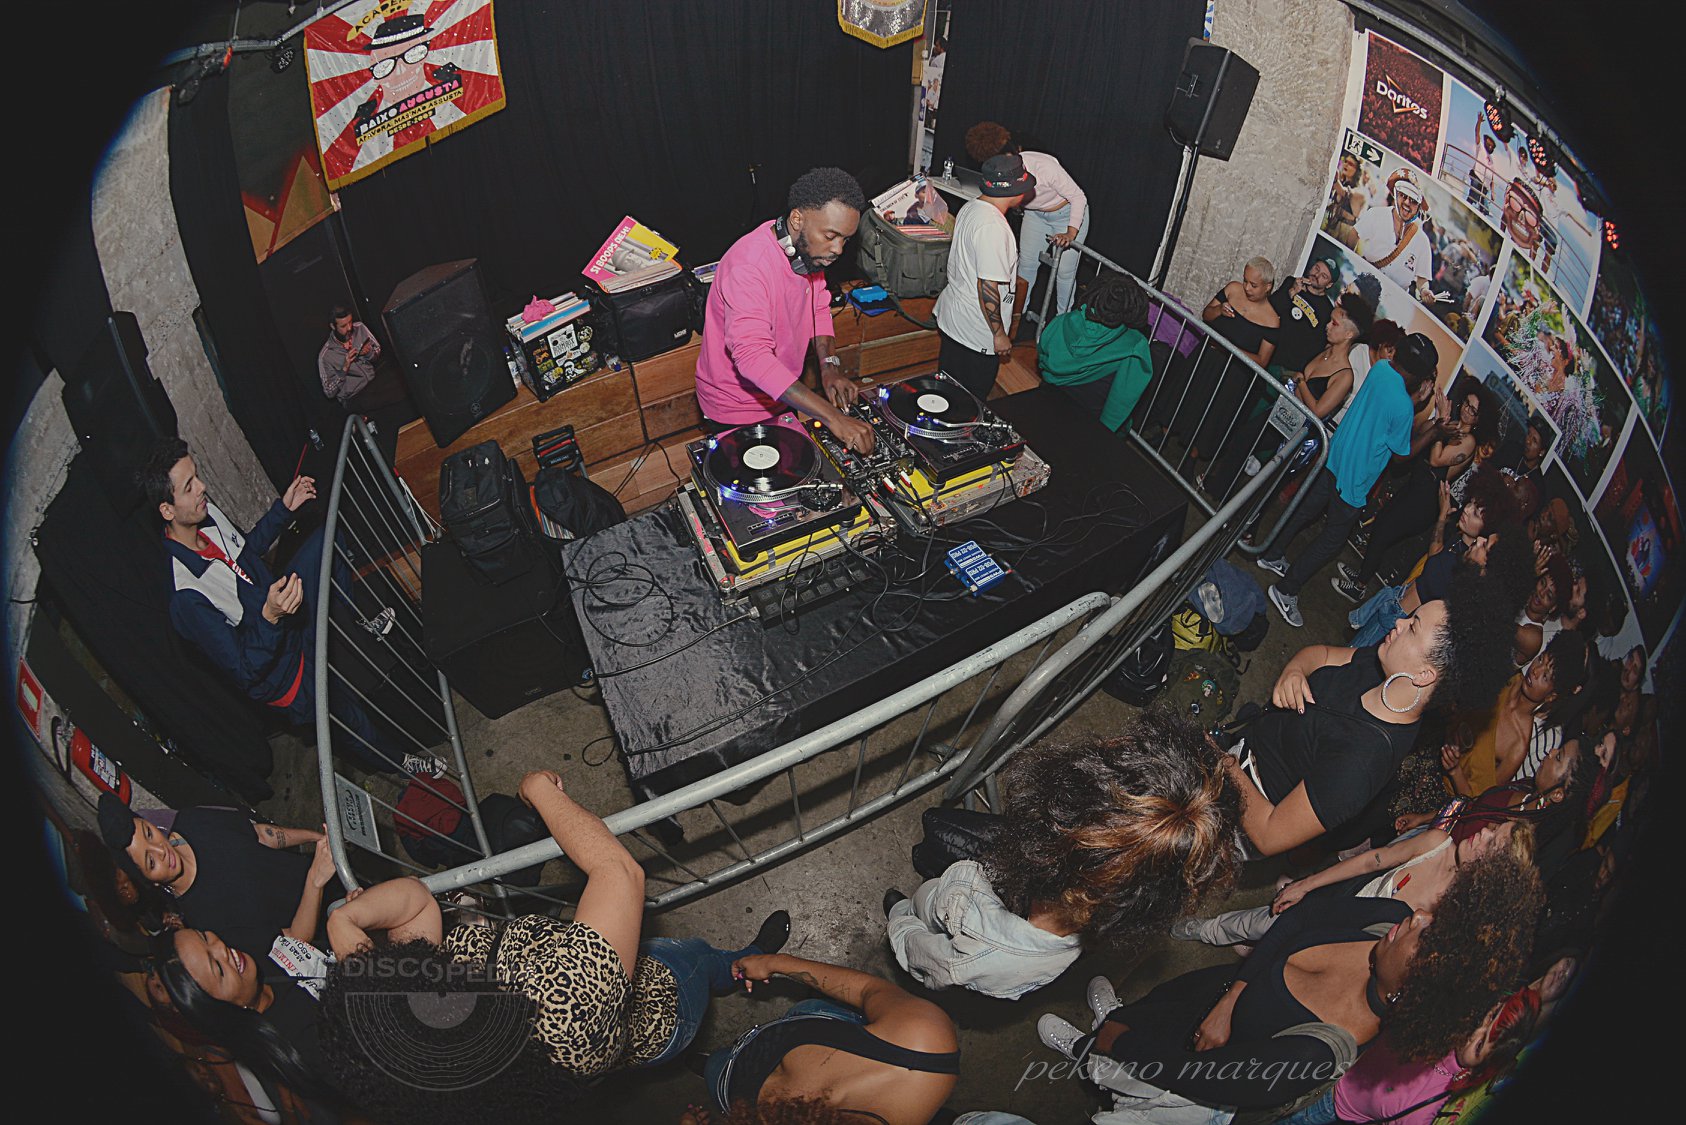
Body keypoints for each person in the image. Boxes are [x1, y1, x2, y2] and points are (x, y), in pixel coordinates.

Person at [314, 769, 791, 1121]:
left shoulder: (435, 1020)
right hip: (664, 1000)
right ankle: (740, 966)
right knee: (698, 958)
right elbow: (618, 873)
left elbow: (416, 903)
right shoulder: (561, 1012)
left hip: (593, 964)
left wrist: (346, 922)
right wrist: (539, 791)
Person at [1037, 854, 1542, 1122]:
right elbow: (1300, 919)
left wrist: (1121, 1045)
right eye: (1434, 917)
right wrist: (1232, 996)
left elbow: (1198, 1076)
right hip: (1215, 992)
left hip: (1192, 1059)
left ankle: (1088, 1051)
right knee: (1154, 1006)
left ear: (1417, 988)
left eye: (1427, 936)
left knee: (1124, 1056)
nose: (1420, 917)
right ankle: (1116, 1021)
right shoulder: (1390, 916)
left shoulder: (1320, 1053)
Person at [883, 712, 1241, 999]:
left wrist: (901, 922)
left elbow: (924, 958)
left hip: (929, 915)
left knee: (917, 908)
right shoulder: (1096, 895)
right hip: (967, 883)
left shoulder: (987, 958)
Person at [137, 438, 435, 777]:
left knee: (327, 539)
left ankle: (358, 622)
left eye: (197, 476)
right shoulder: (185, 596)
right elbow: (244, 670)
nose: (202, 488)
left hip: (287, 615)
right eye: (189, 487)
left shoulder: (206, 516)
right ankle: (402, 764)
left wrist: (283, 509)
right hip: (282, 672)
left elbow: (245, 552)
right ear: (167, 510)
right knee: (350, 719)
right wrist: (269, 617)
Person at [1224, 570, 1513, 858]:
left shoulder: (1362, 762)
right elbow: (1323, 655)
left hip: (1236, 814)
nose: (1399, 622)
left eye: (1413, 627)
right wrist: (1295, 671)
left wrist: (1222, 761)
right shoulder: (1385, 668)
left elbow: (1269, 834)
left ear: (1424, 675)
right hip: (1242, 750)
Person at [1256, 332, 1439, 629]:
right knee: (1331, 541)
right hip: (1355, 480)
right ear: (1421, 376)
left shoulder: (1381, 369)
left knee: (1304, 511)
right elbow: (1401, 456)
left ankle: (1272, 554)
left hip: (1336, 458)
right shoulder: (1404, 408)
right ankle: (1285, 590)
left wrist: (1415, 399)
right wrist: (1434, 430)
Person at [694, 167, 875, 454]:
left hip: (781, 393)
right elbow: (752, 357)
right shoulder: (748, 266)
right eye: (831, 235)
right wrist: (834, 418)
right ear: (797, 219)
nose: (838, 249)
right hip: (735, 406)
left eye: (846, 239)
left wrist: (829, 368)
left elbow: (818, 308)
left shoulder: (807, 252)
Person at [1174, 814, 1531, 950]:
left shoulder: (1451, 914)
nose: (1483, 833)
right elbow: (1370, 861)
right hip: (1338, 899)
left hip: (1347, 947)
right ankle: (1208, 930)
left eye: (1492, 842)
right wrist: (1307, 885)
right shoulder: (1438, 842)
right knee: (1265, 922)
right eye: (1493, 829)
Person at [702, 951, 959, 1125]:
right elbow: (868, 990)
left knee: (714, 1067)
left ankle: (710, 1065)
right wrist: (775, 962)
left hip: (730, 1085)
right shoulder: (928, 1041)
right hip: (816, 1024)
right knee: (809, 1009)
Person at [100, 792, 338, 960]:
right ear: (149, 881)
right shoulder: (207, 923)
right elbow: (296, 939)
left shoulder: (192, 821)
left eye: (149, 834)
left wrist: (316, 838)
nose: (161, 851)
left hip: (328, 871)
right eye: (150, 862)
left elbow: (261, 835)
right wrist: (315, 882)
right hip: (330, 925)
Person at [1279, 987, 1541, 1125]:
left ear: (1479, 1068)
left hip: (1326, 1106)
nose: (1473, 1033)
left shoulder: (1426, 1106)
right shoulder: (1446, 1018)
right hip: (1333, 1055)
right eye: (1488, 1018)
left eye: (1480, 1045)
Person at [1334, 376, 1490, 602]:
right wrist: (1439, 421)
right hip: (1415, 485)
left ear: (1478, 419)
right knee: (1381, 523)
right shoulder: (1453, 425)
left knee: (1385, 531)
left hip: (1425, 499)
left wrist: (1440, 427)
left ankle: (1359, 587)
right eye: (1467, 403)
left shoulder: (1469, 441)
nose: (1466, 410)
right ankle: (1362, 574)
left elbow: (1436, 460)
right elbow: (1422, 431)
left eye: (1473, 410)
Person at [934, 152, 1038, 399]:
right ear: (1015, 191)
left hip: (955, 319)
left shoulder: (972, 206)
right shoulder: (993, 228)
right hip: (976, 332)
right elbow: (988, 286)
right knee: (970, 401)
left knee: (947, 391)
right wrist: (999, 334)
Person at [963, 121, 1090, 316]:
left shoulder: (1043, 166)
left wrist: (1071, 233)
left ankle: (1062, 319)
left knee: (1064, 272)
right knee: (1026, 265)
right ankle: (1016, 315)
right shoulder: (1001, 172)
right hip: (1036, 215)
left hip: (1066, 214)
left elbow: (1078, 197)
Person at [1036, 272, 1153, 431]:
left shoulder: (1063, 321)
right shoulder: (1135, 346)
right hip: (1087, 427)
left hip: (1043, 407)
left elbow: (1042, 354)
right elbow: (1121, 402)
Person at [1354, 171, 1434, 301]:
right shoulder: (1376, 214)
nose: (1407, 202)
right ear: (1396, 196)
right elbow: (1353, 234)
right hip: (1363, 286)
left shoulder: (1422, 241)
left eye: (1413, 201)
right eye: (1403, 195)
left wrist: (1424, 290)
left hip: (1394, 300)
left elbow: (1422, 278)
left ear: (1418, 208)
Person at [1269, 257, 1340, 377]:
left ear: (1329, 285)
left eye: (1324, 276)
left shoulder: (1327, 311)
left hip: (1287, 369)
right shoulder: (1291, 282)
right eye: (1317, 268)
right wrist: (1291, 292)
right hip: (1267, 351)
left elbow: (1317, 348)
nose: (1316, 275)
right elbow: (1270, 309)